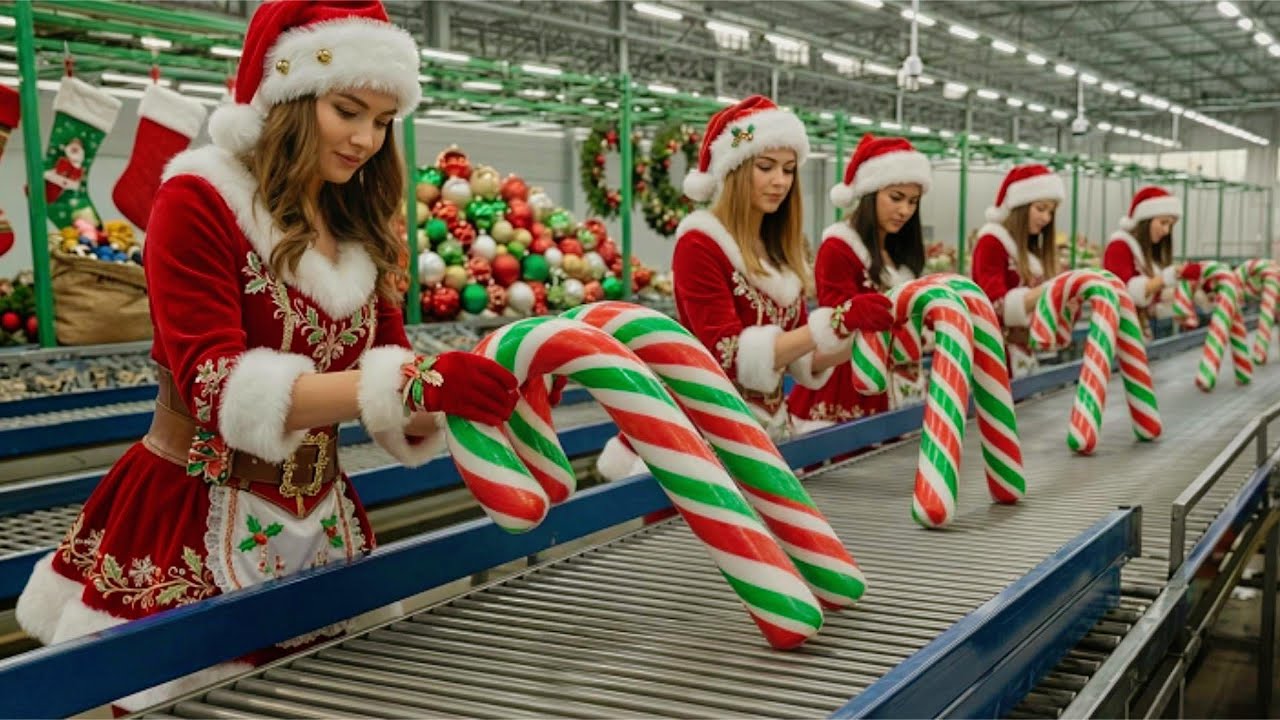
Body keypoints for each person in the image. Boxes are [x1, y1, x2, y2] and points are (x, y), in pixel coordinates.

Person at [15, 0, 518, 710]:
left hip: (323, 517)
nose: (367, 140)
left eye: (381, 121)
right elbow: (218, 389)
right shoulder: (197, 201)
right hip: (191, 512)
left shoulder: (357, 222)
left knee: (320, 695)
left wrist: (465, 387)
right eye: (348, 110)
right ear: (287, 95)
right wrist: (417, 382)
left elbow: (396, 376)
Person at [595, 95, 869, 479]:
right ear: (736, 169)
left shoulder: (781, 253)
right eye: (766, 166)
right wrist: (831, 322)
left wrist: (858, 336)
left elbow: (798, 360)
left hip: (770, 432)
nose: (780, 181)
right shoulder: (700, 243)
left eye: (789, 170)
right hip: (706, 439)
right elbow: (725, 351)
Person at [789, 133, 931, 432]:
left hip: (903, 385)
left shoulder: (898, 253)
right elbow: (836, 325)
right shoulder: (838, 249)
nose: (905, 210)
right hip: (851, 384)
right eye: (896, 198)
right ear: (870, 194)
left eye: (913, 201)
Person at [970, 164, 1065, 377]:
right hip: (996, 357)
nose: (1046, 219)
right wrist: (1051, 289)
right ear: (1019, 207)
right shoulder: (992, 242)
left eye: (1051, 211)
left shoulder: (1031, 251)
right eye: (1040, 209)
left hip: (1024, 355)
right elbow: (994, 306)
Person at [1103, 186, 1201, 337]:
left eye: (1170, 225)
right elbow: (1124, 292)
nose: (1166, 231)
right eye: (1163, 223)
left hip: (1138, 333)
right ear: (1145, 220)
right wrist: (1167, 277)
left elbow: (1154, 298)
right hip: (1118, 335)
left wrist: (1185, 294)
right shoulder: (1119, 247)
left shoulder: (1144, 254)